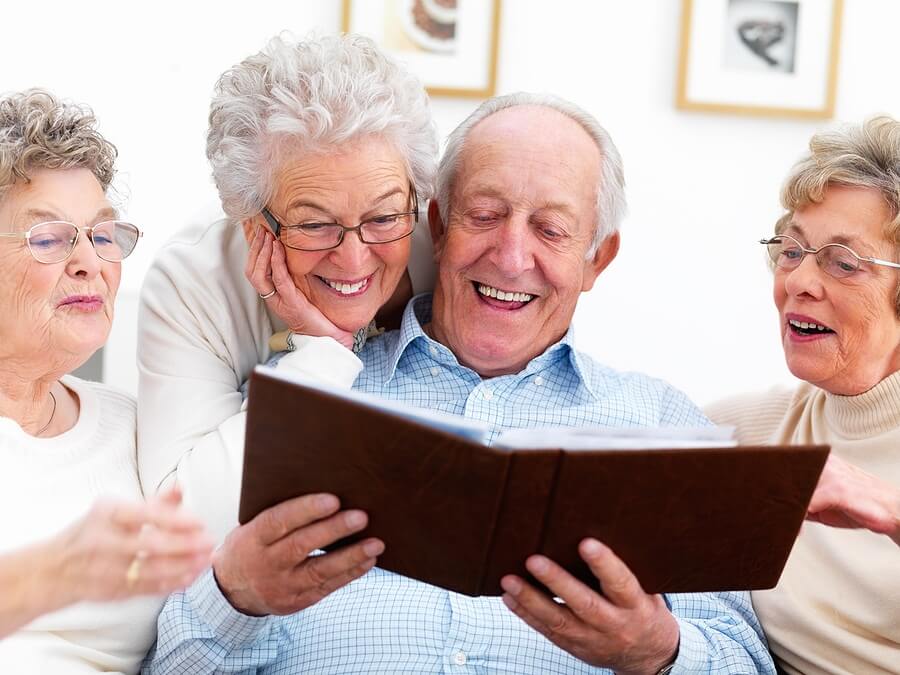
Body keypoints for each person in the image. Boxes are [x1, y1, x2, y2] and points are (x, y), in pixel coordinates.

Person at [144, 93, 775, 675]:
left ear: (596, 259)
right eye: (485, 215)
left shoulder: (662, 426)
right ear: (439, 226)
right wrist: (237, 597)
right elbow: (168, 663)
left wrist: (659, 652)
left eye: (551, 230)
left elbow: (746, 660)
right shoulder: (307, 406)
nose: (510, 256)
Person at [136, 33, 438, 543]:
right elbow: (180, 522)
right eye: (315, 225)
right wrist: (321, 352)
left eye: (383, 216)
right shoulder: (191, 281)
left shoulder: (450, 245)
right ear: (251, 220)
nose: (354, 258)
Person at [0, 89, 212, 673]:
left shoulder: (134, 428)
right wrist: (58, 572)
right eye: (47, 238)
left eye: (100, 233)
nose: (88, 261)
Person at [706, 116, 900, 675]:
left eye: (843, 263)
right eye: (791, 251)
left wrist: (887, 511)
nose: (798, 283)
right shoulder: (747, 429)